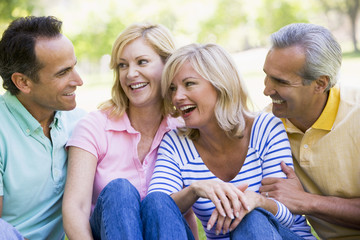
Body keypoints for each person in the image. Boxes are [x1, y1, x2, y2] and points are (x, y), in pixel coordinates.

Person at [148, 43, 315, 239]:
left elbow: (289, 215)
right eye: (172, 88)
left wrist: (258, 202)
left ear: (220, 85)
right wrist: (195, 189)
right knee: (157, 201)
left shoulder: (265, 128)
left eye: (189, 84)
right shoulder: (175, 144)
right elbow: (157, 208)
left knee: (252, 218)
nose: (177, 97)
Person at [62, 22, 198, 240]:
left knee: (162, 202)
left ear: (168, 65)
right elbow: (75, 208)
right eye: (123, 65)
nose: (131, 74)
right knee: (120, 192)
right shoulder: (94, 127)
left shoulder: (183, 129)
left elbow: (185, 213)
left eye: (142, 62)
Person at [260, 23, 360, 239]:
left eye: (280, 81)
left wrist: (307, 201)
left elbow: (300, 202)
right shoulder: (266, 125)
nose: (266, 89)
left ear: (320, 84)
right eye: (267, 75)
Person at [0, 16, 85, 240]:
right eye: (63, 72)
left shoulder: (81, 124)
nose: (78, 80)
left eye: (74, 67)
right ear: (23, 82)